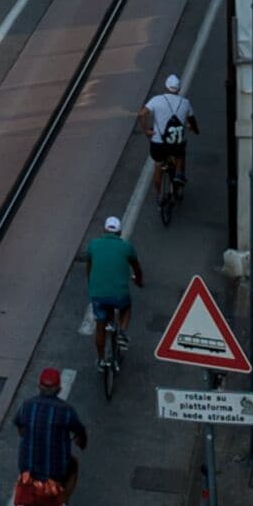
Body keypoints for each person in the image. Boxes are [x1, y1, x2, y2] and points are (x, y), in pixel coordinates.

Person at [11, 364, 87, 505]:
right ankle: (62, 503)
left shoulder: (27, 405)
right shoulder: (66, 411)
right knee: (73, 465)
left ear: (39, 386)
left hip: (27, 472)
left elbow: (20, 429)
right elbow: (80, 432)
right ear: (59, 389)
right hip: (54, 474)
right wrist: (81, 442)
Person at [81, 215, 146, 369]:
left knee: (100, 325)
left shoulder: (93, 245)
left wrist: (92, 286)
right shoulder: (127, 247)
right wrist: (139, 281)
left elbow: (89, 269)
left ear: (103, 230)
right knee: (126, 307)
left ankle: (101, 360)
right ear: (119, 233)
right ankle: (122, 332)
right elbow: (137, 269)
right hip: (119, 295)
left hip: (98, 295)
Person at [137, 73, 198, 203]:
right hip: (176, 144)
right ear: (179, 88)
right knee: (181, 153)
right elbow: (192, 120)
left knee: (158, 165)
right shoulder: (185, 103)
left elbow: (142, 114)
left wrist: (147, 130)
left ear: (166, 87)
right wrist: (194, 129)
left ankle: (160, 196)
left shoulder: (156, 100)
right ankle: (178, 175)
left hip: (158, 144)